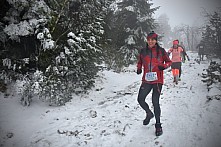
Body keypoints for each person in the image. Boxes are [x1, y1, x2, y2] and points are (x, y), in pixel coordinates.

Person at [136, 31, 172, 136]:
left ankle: (158, 125)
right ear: (147, 40)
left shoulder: (161, 51)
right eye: (149, 40)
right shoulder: (143, 51)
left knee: (155, 102)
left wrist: (164, 66)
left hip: (157, 80)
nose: (150, 41)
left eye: (153, 39)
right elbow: (140, 62)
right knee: (140, 99)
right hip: (146, 80)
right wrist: (138, 68)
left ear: (156, 41)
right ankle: (148, 113)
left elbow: (169, 62)